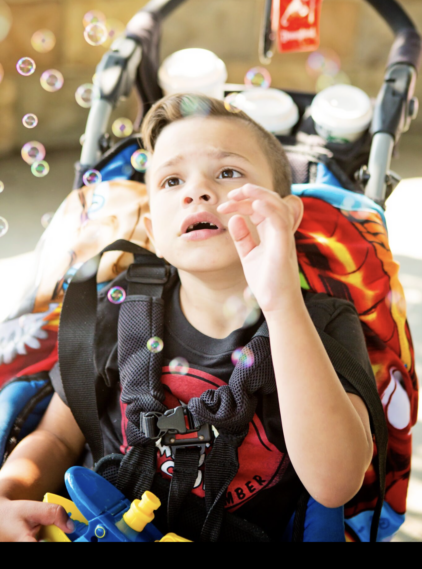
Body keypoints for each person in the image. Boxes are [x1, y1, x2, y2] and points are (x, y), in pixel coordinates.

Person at [0, 94, 375, 542]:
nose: (197, 191)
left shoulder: (322, 324)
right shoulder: (119, 312)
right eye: (173, 180)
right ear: (155, 233)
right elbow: (60, 439)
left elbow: (336, 483)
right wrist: (7, 494)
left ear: (286, 214)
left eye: (228, 172)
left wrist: (281, 305)